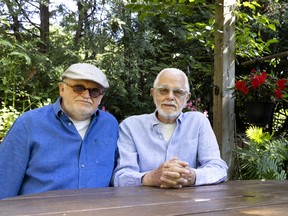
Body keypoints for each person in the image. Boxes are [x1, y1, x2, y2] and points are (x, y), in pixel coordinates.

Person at [0, 63, 118, 199]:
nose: (86, 95)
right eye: (79, 88)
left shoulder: (110, 125)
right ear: (62, 89)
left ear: (101, 97)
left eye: (94, 91)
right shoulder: (28, 124)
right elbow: (4, 183)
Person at [113, 68, 228, 188]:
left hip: (190, 203)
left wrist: (192, 176)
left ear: (187, 98)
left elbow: (219, 169)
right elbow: (120, 178)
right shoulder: (130, 126)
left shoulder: (198, 122)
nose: (170, 97)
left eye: (178, 92)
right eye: (163, 90)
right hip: (144, 204)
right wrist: (150, 177)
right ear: (153, 93)